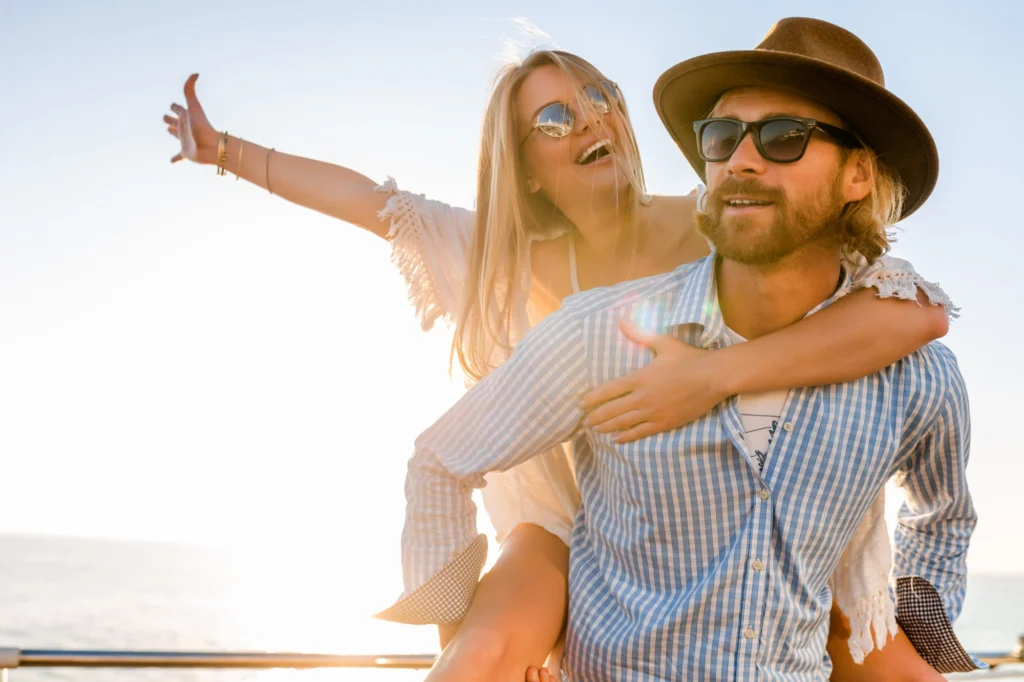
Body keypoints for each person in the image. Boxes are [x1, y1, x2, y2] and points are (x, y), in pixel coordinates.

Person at [163, 25, 964, 681]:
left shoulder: (719, 212)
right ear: (527, 168)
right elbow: (369, 202)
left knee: (869, 641)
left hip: (737, 503)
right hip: (556, 509)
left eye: (599, 99)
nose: (585, 121)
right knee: (480, 656)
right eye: (552, 121)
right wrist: (227, 150)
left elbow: (914, 315)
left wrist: (718, 374)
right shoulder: (507, 259)